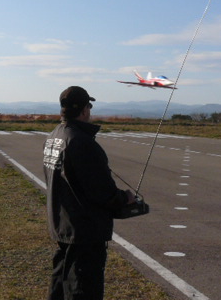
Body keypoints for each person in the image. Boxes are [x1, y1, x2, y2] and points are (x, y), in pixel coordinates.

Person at [43, 86, 135, 300]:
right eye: (89, 106)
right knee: (83, 289)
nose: (90, 111)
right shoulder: (81, 142)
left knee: (60, 285)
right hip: (84, 230)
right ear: (84, 110)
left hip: (63, 224)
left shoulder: (54, 136)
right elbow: (101, 191)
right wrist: (125, 198)